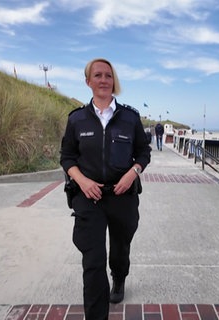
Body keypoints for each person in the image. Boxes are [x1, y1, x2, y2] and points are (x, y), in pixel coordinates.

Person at [60, 58, 151, 320]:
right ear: (88, 81)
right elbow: (67, 157)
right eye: (97, 75)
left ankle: (119, 278)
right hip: (89, 198)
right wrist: (82, 181)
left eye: (108, 76)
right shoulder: (77, 119)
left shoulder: (130, 118)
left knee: (120, 249)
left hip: (123, 196)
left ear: (114, 81)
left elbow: (143, 153)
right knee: (93, 261)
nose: (103, 80)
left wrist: (132, 173)